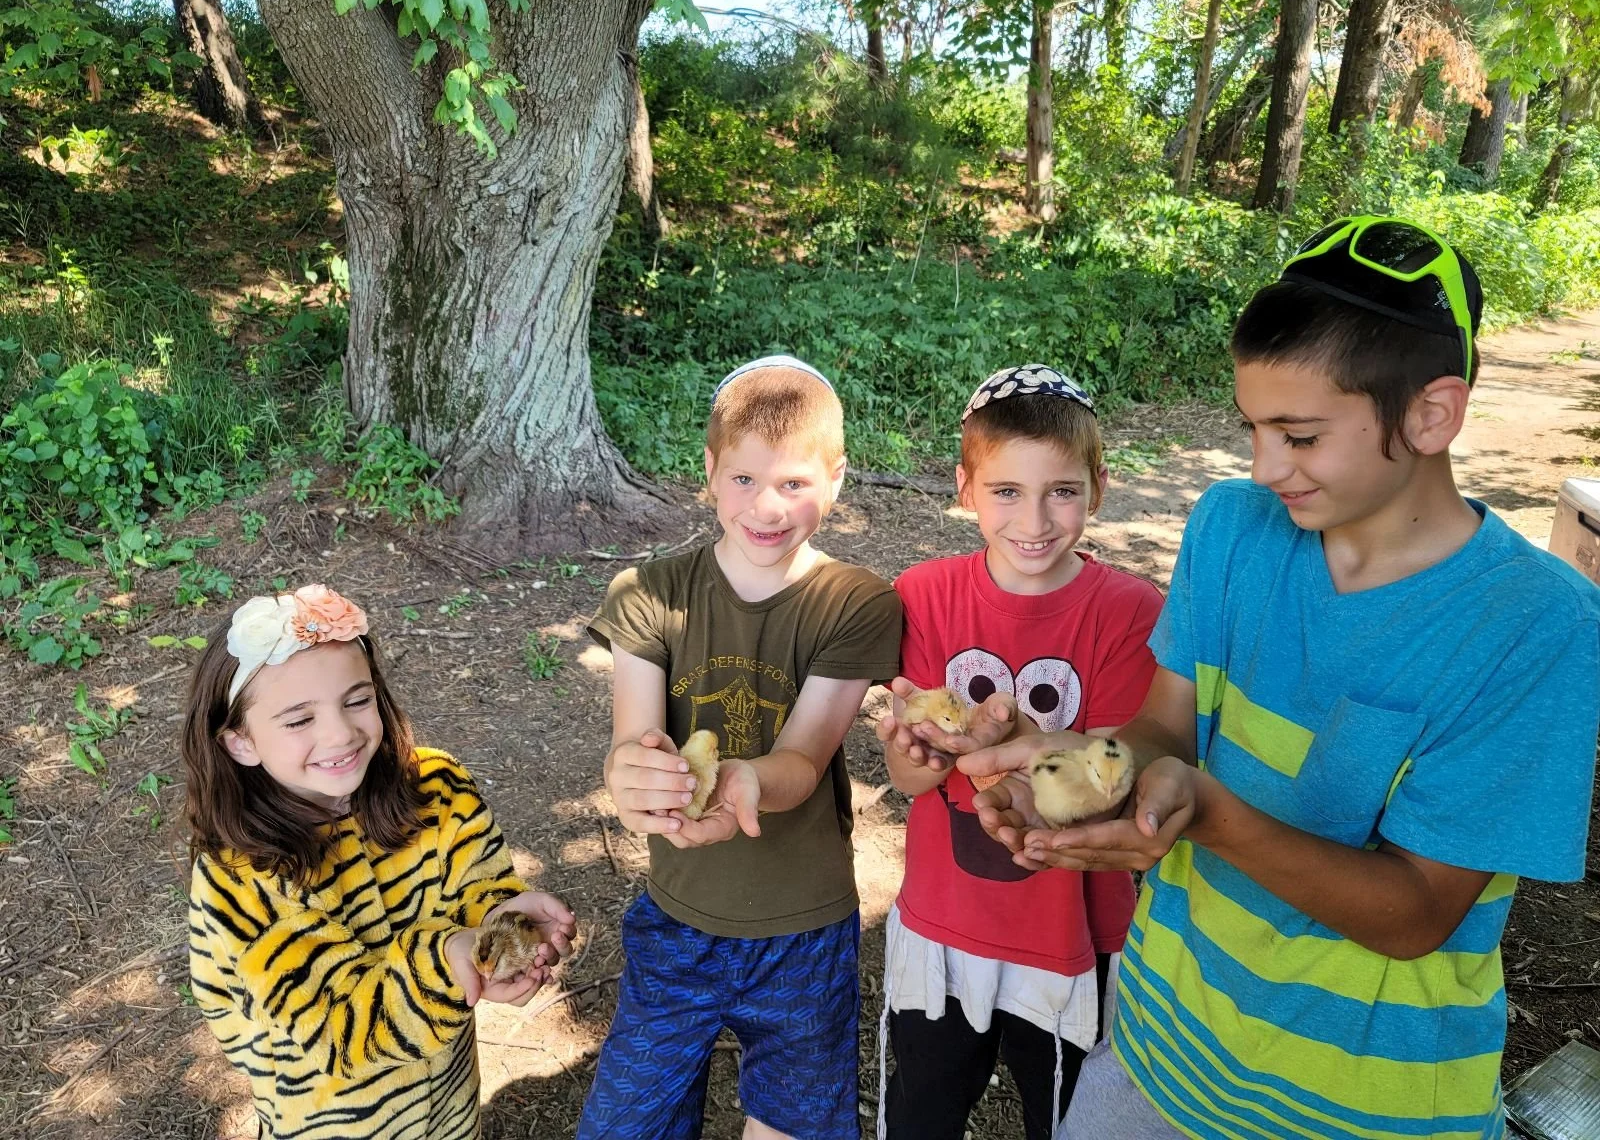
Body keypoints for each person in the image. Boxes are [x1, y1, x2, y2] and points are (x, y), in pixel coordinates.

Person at [961, 216, 1600, 1140]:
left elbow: (1417, 913)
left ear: (1431, 414)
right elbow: (1164, 731)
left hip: (1364, 1106)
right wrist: (1079, 771)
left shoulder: (1533, 625)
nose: (1264, 468)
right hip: (1158, 1048)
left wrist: (1207, 815)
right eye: (1254, 429)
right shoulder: (1232, 528)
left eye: (1298, 436)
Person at [579, 356, 904, 1140]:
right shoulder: (648, 594)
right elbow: (632, 743)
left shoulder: (855, 603)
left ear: (836, 479)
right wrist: (630, 780)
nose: (766, 506)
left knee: (792, 1125)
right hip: (676, 924)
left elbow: (803, 760)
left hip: (803, 933)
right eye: (744, 479)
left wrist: (742, 781)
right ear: (709, 471)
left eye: (794, 483)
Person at [876, 364, 1163, 1140]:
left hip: (1071, 940)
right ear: (964, 487)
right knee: (923, 1109)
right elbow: (909, 779)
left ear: (1098, 487)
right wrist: (920, 751)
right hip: (945, 926)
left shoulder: (1131, 612)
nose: (1034, 519)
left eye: (1061, 491)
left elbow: (1118, 780)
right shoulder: (924, 595)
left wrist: (1012, 747)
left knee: (1063, 1117)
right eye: (1006, 491)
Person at [185, 583, 576, 1140]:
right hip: (330, 1116)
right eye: (298, 720)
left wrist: (501, 926)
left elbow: (479, 884)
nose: (340, 733)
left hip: (450, 1096)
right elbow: (339, 1028)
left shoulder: (438, 787)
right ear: (240, 742)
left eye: (356, 700)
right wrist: (451, 963)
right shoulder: (242, 874)